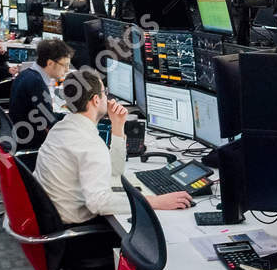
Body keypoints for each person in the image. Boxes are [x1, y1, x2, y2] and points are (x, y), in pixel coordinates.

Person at [35, 68, 192, 228]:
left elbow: (115, 171)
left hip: (50, 217)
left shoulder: (62, 127)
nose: (107, 97)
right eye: (104, 92)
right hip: (69, 231)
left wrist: (118, 126)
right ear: (96, 100)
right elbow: (99, 204)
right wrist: (155, 202)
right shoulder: (89, 143)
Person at [5, 38, 71, 152]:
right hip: (32, 143)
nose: (67, 70)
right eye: (64, 65)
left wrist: (68, 117)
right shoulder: (36, 84)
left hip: (20, 133)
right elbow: (51, 124)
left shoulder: (26, 74)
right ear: (50, 63)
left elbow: (46, 115)